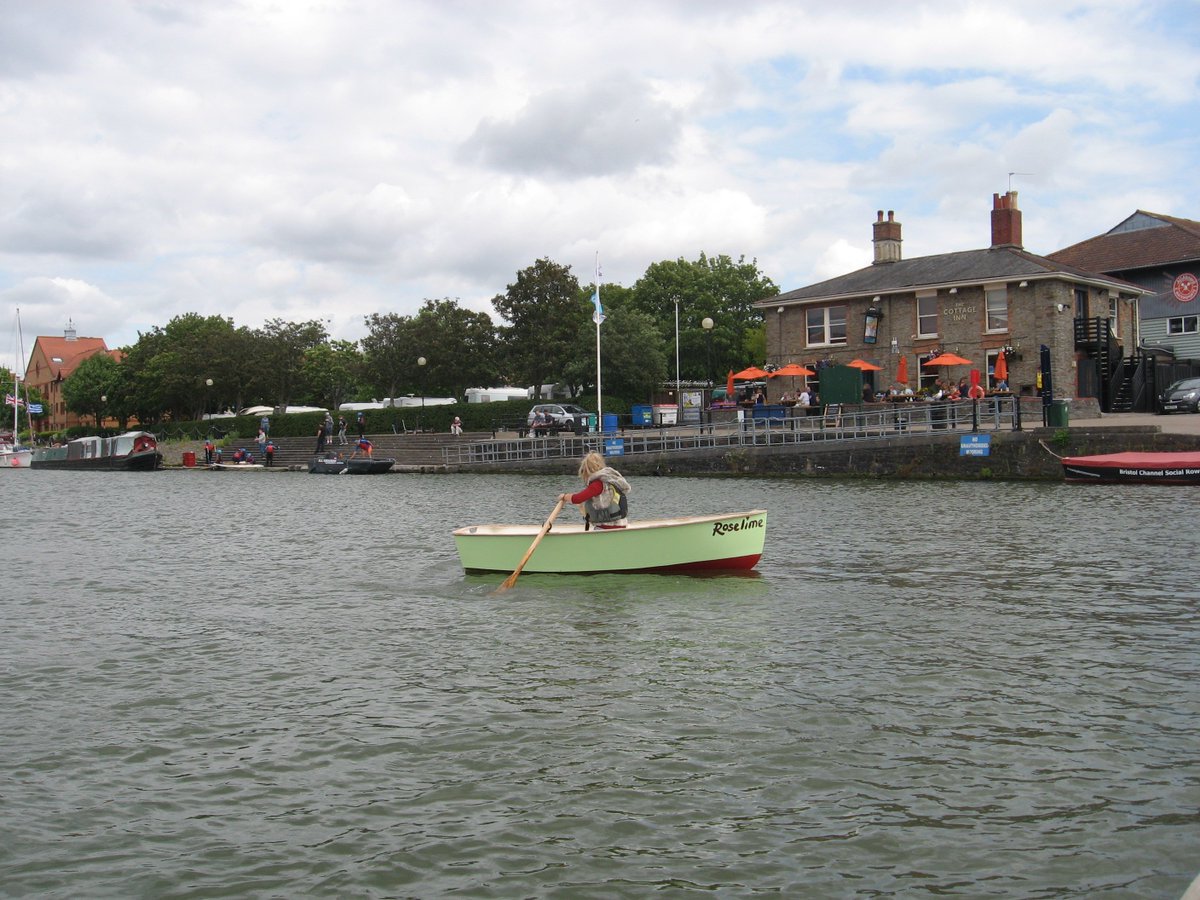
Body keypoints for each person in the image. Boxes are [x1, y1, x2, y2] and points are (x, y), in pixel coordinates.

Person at [559, 451, 631, 530]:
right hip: (621, 525)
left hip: (607, 527)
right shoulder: (612, 481)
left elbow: (577, 499)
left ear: (586, 470)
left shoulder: (598, 484)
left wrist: (565, 496)